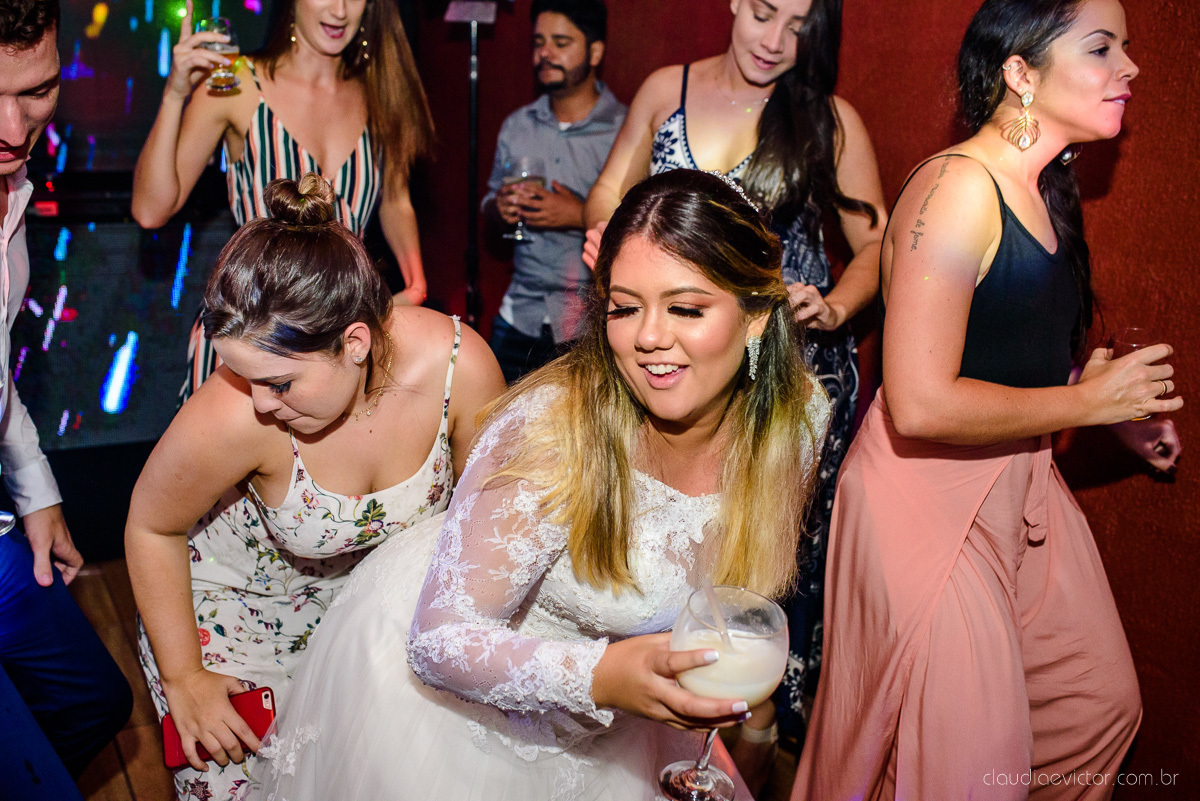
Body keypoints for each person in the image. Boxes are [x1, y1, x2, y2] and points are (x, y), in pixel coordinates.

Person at [252, 170, 831, 801]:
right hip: (464, 712)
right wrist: (604, 676)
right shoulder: (553, 429)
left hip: (626, 715)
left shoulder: (798, 420)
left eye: (685, 308)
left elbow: (739, 597)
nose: (648, 338)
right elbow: (441, 641)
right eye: (624, 307)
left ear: (755, 318)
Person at [792, 1, 1180, 799]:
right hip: (923, 500)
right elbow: (922, 402)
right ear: (1020, 73)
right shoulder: (960, 186)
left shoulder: (1045, 189)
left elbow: (1008, 356)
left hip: (1020, 486)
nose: (1130, 68)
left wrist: (1108, 406)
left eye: (1127, 49)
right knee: (961, 759)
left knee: (1095, 704)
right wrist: (1084, 408)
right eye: (1102, 48)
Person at [125, 173, 505, 801]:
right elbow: (150, 524)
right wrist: (185, 678)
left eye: (279, 383)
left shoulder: (460, 370)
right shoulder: (235, 411)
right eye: (242, 376)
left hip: (374, 607)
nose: (263, 405)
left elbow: (490, 521)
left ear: (354, 342)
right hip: (236, 613)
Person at [583, 0, 886, 761]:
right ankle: (654, 705)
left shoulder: (827, 118)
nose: (775, 42)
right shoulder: (666, 89)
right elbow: (608, 189)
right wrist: (607, 237)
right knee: (670, 536)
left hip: (782, 372)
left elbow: (879, 239)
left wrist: (840, 302)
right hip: (671, 358)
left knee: (760, 563)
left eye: (798, 28)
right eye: (762, 13)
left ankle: (747, 736)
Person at [132, 0, 435, 403]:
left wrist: (415, 284)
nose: (341, 11)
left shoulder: (380, 93)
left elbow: (396, 201)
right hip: (246, 353)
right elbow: (151, 210)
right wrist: (176, 92)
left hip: (337, 352)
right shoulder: (237, 82)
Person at [0, 2, 134, 799]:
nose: (14, 129)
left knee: (95, 700)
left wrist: (37, 491)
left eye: (37, 92)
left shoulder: (12, 197)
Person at [482, 0, 626, 383]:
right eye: (539, 42)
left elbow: (644, 229)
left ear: (595, 52)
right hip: (518, 317)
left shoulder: (624, 131)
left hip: (590, 327)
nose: (544, 53)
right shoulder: (517, 125)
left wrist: (579, 215)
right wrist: (499, 209)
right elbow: (489, 209)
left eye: (560, 42)